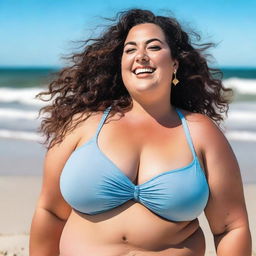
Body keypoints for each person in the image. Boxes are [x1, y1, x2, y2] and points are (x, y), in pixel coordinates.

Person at [29, 8, 251, 256]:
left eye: (154, 47)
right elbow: (50, 212)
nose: (141, 56)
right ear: (121, 63)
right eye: (130, 49)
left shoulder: (201, 133)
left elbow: (231, 227)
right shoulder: (82, 125)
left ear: (174, 63)